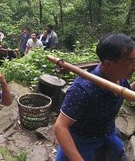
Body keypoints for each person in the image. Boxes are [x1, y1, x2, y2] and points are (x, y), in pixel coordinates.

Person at [54, 33, 135, 161]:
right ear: (108, 63)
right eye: (131, 61)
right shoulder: (82, 89)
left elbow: (128, 95)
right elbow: (60, 127)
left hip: (107, 137)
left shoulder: (118, 77)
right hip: (82, 145)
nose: (134, 66)